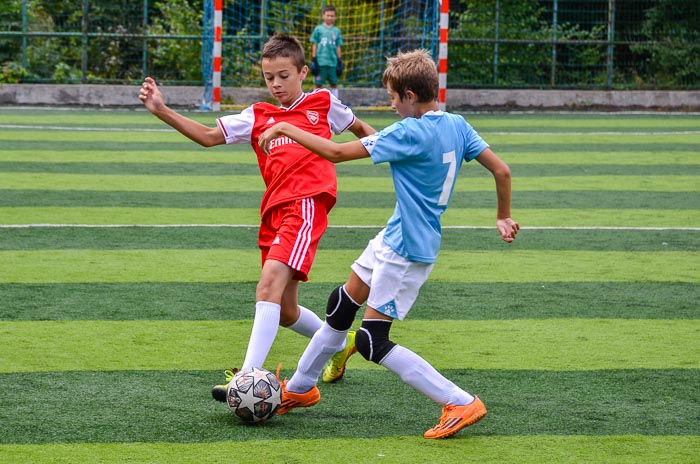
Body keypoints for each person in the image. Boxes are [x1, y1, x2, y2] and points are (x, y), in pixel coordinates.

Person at [258, 49, 519, 439]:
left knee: (369, 340)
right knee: (341, 304)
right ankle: (299, 388)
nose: (391, 105)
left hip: (408, 250)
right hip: (394, 236)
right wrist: (502, 214)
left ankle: (460, 401)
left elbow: (335, 152)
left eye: (394, 97)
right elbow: (502, 169)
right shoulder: (457, 125)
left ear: (410, 96)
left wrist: (285, 128)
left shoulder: (407, 132)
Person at [139, 34, 376, 402]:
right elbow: (206, 136)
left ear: (302, 72)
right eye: (269, 78)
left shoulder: (323, 103)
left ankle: (247, 379)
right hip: (274, 213)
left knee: (267, 286)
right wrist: (161, 110)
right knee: (284, 310)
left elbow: (363, 132)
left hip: (307, 204)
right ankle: (339, 343)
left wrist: (398, 148)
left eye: (284, 75)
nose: (276, 84)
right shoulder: (258, 115)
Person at [310, 5, 343, 98]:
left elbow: (338, 46)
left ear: (335, 17)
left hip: (333, 62)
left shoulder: (337, 31)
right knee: (318, 84)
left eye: (332, 16)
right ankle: (314, 102)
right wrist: (314, 59)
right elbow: (315, 44)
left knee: (334, 83)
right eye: (328, 15)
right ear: (323, 16)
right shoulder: (318, 29)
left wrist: (339, 60)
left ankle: (335, 104)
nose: (330, 17)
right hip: (321, 62)